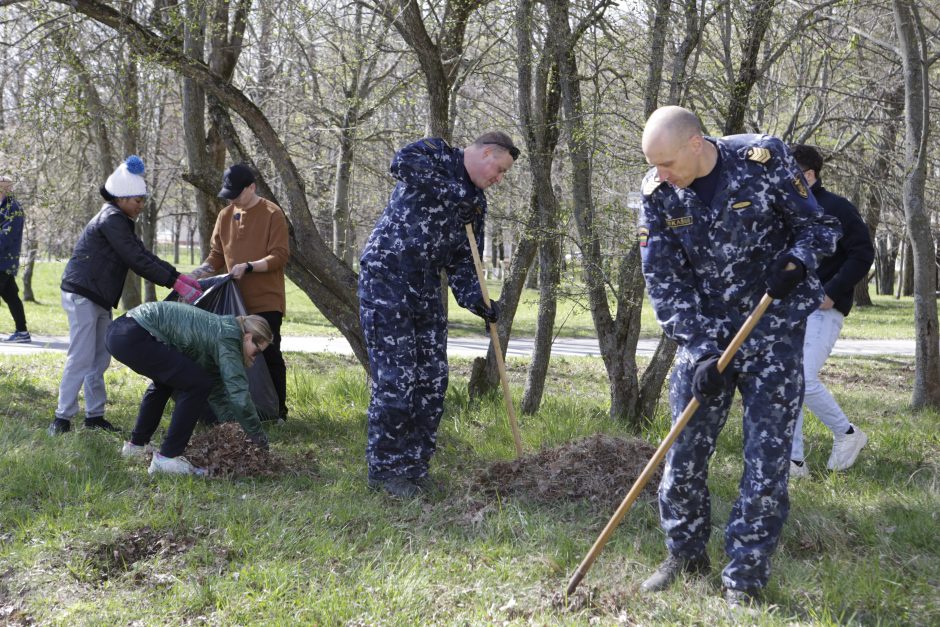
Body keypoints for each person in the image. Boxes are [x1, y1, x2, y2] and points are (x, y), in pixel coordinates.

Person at [637, 106, 840, 607]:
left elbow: (820, 227)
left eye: (667, 162)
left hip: (772, 331)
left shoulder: (764, 160)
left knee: (766, 463)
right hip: (704, 339)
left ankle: (743, 578)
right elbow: (663, 279)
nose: (661, 175)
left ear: (697, 143)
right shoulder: (660, 194)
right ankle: (683, 556)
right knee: (682, 457)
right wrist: (700, 347)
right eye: (654, 165)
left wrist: (796, 262)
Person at [359, 131, 519, 498]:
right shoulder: (434, 153)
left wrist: (479, 302)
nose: (499, 179)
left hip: (428, 288)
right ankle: (386, 473)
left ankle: (415, 469)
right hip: (388, 278)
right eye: (500, 169)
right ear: (485, 151)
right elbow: (400, 163)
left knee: (432, 381)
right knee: (397, 380)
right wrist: (456, 194)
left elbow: (466, 261)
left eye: (503, 175)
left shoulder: (476, 204)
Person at [48, 156, 203, 436]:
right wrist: (173, 282)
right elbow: (134, 258)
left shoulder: (119, 219)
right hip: (82, 292)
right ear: (120, 198)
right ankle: (61, 418)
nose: (141, 206)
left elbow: (141, 253)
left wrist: (176, 276)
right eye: (137, 200)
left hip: (98, 295)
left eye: (142, 200)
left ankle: (94, 416)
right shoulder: (111, 219)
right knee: (82, 357)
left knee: (99, 359)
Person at [106, 301, 271, 476]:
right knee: (197, 384)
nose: (256, 357)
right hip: (133, 333)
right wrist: (259, 439)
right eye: (257, 351)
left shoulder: (220, 336)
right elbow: (239, 395)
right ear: (247, 337)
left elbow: (218, 396)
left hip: (120, 331)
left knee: (167, 383)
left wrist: (233, 432)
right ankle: (168, 458)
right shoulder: (229, 337)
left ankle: (137, 446)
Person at [788, 144, 874, 478]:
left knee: (804, 379)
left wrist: (832, 291)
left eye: (791, 173)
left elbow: (863, 253)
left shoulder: (837, 207)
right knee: (791, 380)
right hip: (789, 311)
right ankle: (794, 462)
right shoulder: (788, 208)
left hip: (824, 310)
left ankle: (847, 434)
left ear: (809, 175)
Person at [191, 164, 290, 421]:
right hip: (233, 301)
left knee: (267, 354)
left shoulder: (272, 213)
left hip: (266, 300)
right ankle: (244, 410)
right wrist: (198, 273)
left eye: (237, 193)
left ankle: (277, 411)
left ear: (252, 188)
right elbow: (216, 255)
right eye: (229, 194)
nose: (233, 199)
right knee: (234, 356)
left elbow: (279, 256)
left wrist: (249, 267)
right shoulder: (225, 215)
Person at [0, 175, 30, 343]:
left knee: (11, 295)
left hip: (4, 260)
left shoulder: (13, 208)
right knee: (11, 295)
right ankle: (22, 332)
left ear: (8, 188)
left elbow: (6, 237)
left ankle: (22, 332)